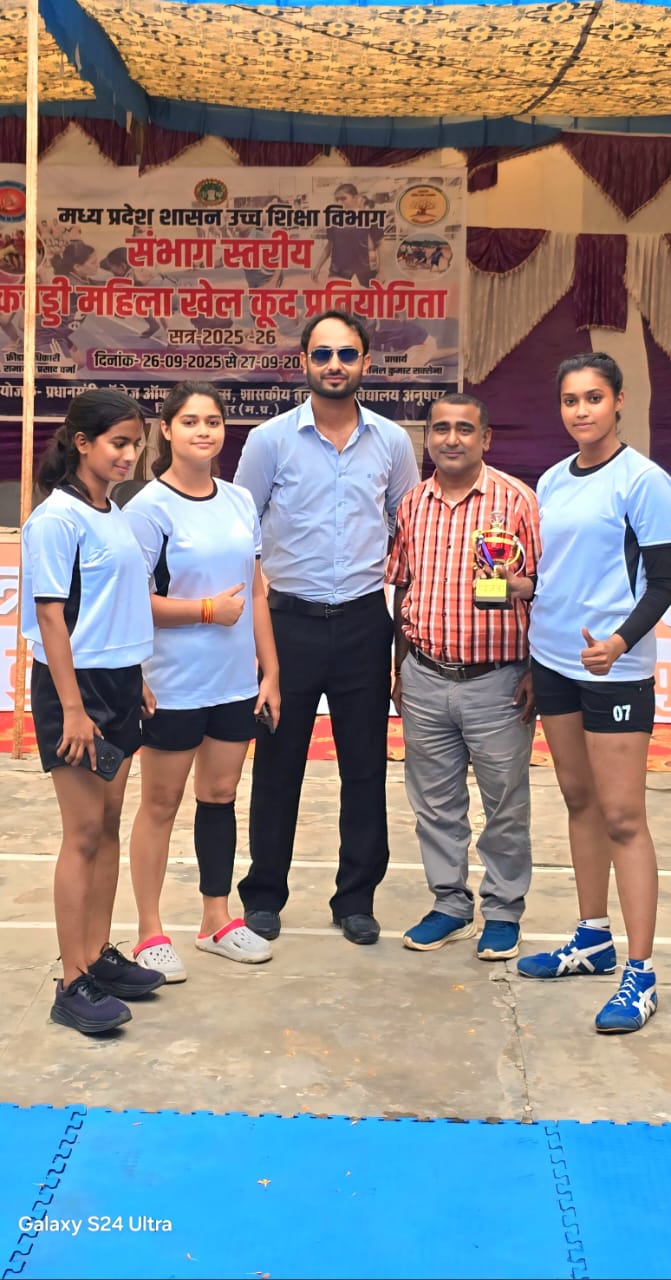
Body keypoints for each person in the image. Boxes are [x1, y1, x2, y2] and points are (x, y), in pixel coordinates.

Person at [234, 309, 419, 944]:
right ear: (304, 362)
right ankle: (264, 895)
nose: (334, 365)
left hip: (366, 621)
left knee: (364, 766)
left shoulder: (393, 442)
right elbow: (241, 534)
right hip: (289, 623)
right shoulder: (269, 441)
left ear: (366, 363)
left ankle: (356, 899)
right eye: (322, 354)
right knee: (278, 762)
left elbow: (409, 531)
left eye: (346, 354)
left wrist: (404, 643)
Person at [518, 352, 671, 1033]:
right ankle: (591, 937)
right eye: (569, 400)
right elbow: (554, 571)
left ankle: (640, 973)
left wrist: (618, 642)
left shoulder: (644, 483)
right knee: (578, 802)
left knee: (622, 818)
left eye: (592, 398)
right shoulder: (550, 480)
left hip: (612, 669)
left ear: (616, 402)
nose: (580, 410)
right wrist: (521, 595)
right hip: (552, 662)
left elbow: (664, 582)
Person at [124, 382, 280, 982]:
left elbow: (257, 590)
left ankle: (218, 919)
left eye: (213, 421)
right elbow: (133, 600)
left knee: (219, 798)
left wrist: (269, 671)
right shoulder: (148, 509)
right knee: (159, 804)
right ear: (166, 430)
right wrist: (204, 612)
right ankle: (149, 932)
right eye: (190, 421)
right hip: (172, 684)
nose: (204, 431)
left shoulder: (240, 500)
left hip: (234, 684)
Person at [21, 390, 164, 1036]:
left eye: (136, 444)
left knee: (107, 825)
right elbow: (51, 615)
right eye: (118, 443)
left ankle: (99, 955)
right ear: (82, 443)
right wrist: (74, 710)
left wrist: (137, 679)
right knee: (80, 835)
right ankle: (71, 981)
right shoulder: (56, 520)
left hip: (119, 682)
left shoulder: (115, 513)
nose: (130, 455)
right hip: (72, 690)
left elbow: (118, 607)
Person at [386, 393, 540, 960]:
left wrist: (536, 670)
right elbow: (401, 586)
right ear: (427, 437)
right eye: (441, 429)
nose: (452, 439)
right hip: (425, 676)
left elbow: (546, 587)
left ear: (486, 438)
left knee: (504, 803)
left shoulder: (518, 502)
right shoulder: (411, 505)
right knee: (435, 802)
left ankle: (502, 911)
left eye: (465, 430)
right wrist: (400, 662)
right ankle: (450, 904)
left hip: (499, 680)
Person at [311, 185, 384, 288]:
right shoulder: (334, 220)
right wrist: (318, 266)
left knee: (369, 302)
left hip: (365, 270)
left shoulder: (370, 218)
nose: (340, 202)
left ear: (355, 197)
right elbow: (329, 245)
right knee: (336, 301)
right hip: (338, 270)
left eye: (344, 198)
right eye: (337, 199)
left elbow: (380, 245)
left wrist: (381, 271)